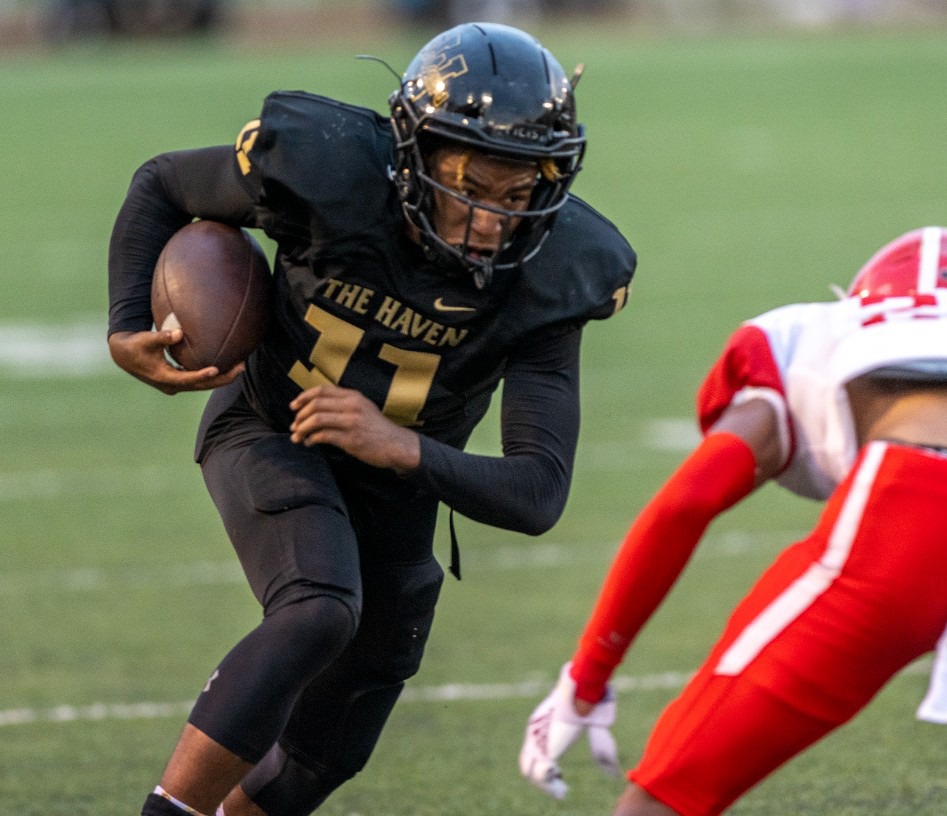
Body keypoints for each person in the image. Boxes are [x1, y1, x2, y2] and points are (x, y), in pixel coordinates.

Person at [107, 22, 635, 816]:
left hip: (398, 484)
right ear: (413, 157)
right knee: (319, 603)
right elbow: (163, 184)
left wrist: (401, 448)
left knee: (334, 741)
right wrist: (124, 329)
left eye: (519, 193)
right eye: (473, 185)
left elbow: (537, 492)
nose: (493, 221)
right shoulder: (328, 173)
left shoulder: (556, 275)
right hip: (269, 423)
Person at [520, 225, 947, 815]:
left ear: (859, 298)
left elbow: (686, 503)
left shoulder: (800, 341)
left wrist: (588, 677)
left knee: (670, 787)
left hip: (914, 504)